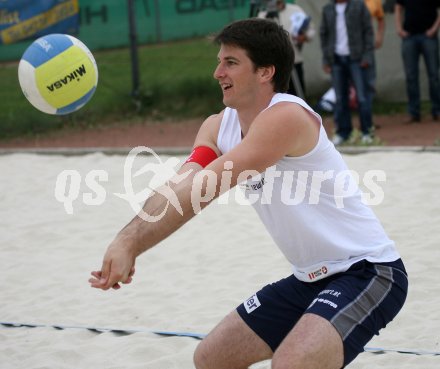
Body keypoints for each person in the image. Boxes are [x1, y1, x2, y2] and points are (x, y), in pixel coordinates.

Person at [89, 18, 408, 369]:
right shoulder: (216, 127)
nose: (217, 72)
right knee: (211, 358)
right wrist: (127, 240)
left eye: (231, 62)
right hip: (309, 279)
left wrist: (131, 244)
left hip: (368, 273)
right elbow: (179, 187)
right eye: (219, 61)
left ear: (265, 72)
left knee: (291, 364)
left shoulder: (286, 117)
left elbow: (203, 191)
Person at [320, 0, 375, 145]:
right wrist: (326, 59)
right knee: (340, 98)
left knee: (362, 97)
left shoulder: (359, 5)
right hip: (336, 59)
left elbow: (368, 30)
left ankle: (366, 132)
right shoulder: (328, 9)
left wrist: (367, 56)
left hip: (356, 58)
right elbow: (324, 34)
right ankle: (343, 132)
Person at [394, 0, 440, 123]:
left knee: (434, 75)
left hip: (429, 37)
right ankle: (414, 112)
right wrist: (399, 28)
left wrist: (434, 28)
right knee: (411, 77)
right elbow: (398, 7)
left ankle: (437, 110)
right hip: (409, 37)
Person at [259, 0, 315, 98]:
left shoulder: (295, 10)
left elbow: (310, 30)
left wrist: (303, 37)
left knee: (297, 95)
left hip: (294, 60)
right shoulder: (263, 14)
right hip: (274, 65)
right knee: (278, 96)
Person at [363, 0, 386, 116]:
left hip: (368, 46)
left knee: (369, 82)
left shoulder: (374, 1)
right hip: (349, 48)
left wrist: (379, 36)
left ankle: (367, 119)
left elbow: (381, 19)